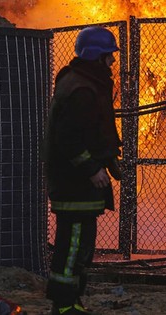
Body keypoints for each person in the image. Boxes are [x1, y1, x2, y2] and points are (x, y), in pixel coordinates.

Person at [43, 26, 122, 315]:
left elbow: (93, 130)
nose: (112, 62)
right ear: (97, 56)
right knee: (73, 245)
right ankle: (64, 305)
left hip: (77, 184)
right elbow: (69, 138)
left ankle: (72, 301)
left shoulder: (84, 83)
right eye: (109, 56)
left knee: (80, 246)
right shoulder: (82, 89)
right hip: (74, 183)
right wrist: (91, 168)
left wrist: (109, 159)